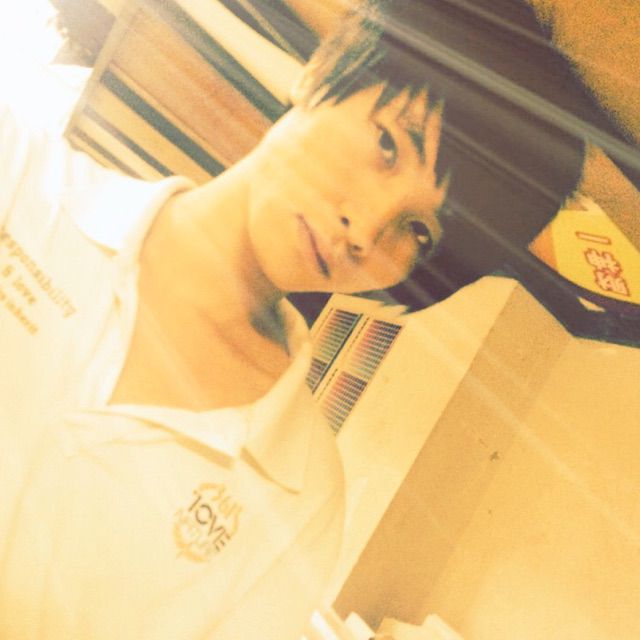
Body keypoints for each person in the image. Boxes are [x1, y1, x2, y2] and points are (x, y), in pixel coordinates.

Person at [0, 0, 636, 638]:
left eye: (418, 230)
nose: (366, 229)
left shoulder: (299, 499)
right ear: (323, 70)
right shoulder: (20, 179)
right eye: (388, 144)